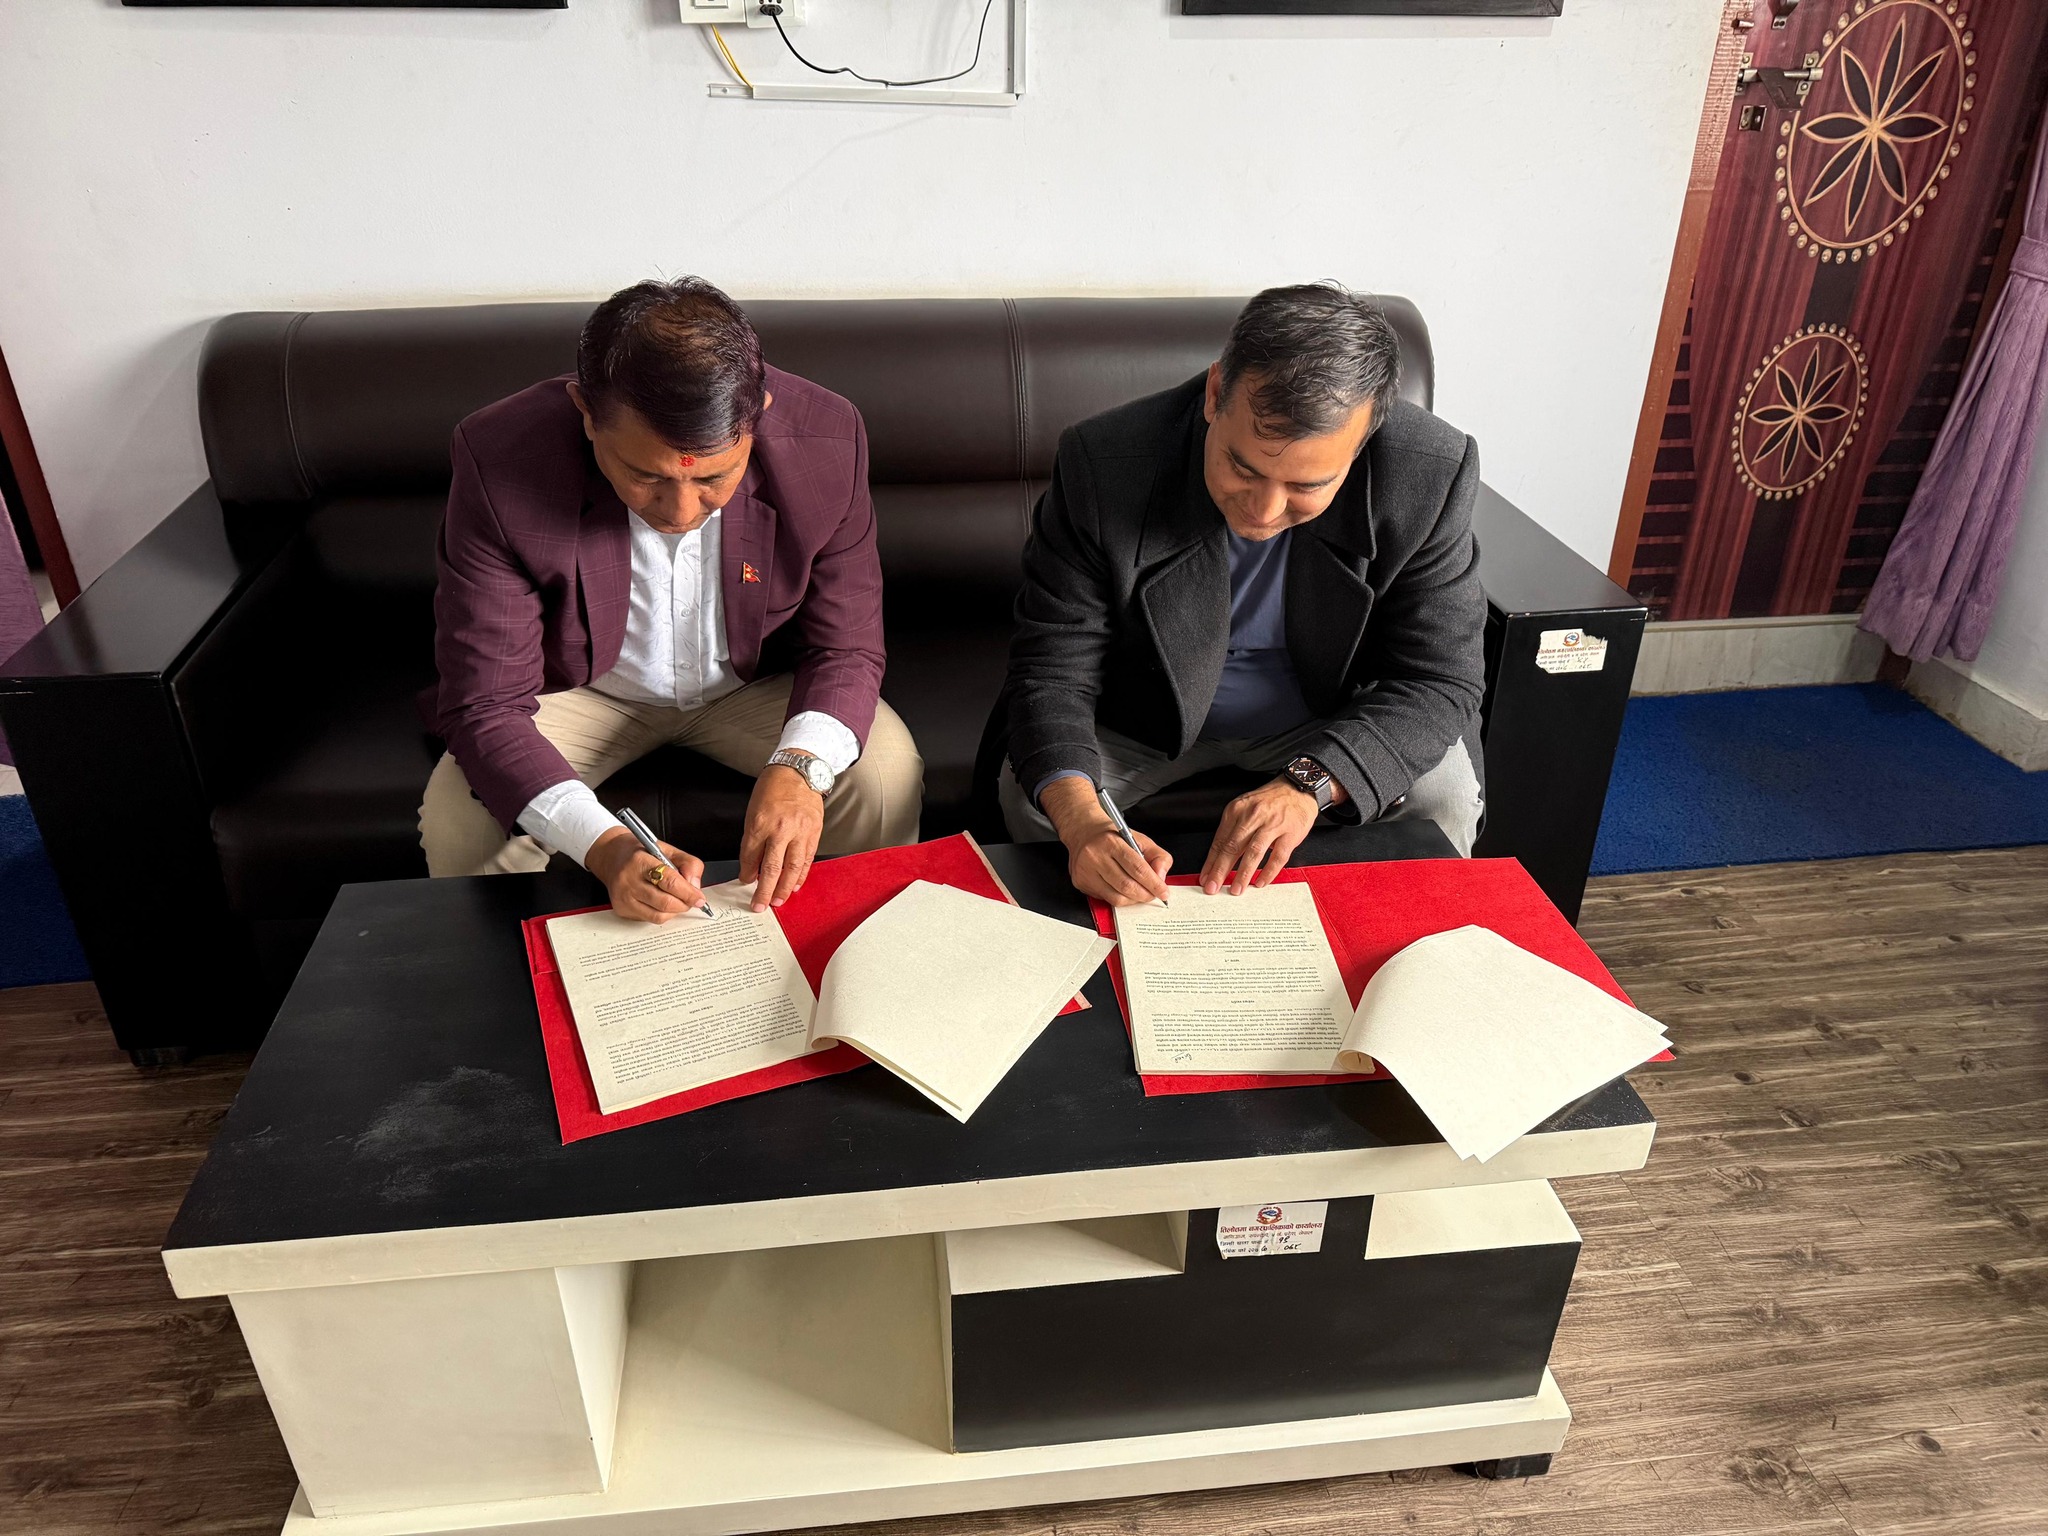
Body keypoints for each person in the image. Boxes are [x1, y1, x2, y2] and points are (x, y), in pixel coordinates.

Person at [421, 276, 923, 920]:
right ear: (586, 414)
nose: (681, 511)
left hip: (755, 684)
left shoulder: (828, 440)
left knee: (882, 776)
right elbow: (486, 701)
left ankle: (846, 962)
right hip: (576, 687)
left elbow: (846, 647)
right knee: (459, 819)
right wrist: (604, 846)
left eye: (715, 477)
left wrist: (800, 768)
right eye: (644, 476)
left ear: (759, 416)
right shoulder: (501, 457)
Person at [1001, 282, 1485, 907]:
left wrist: (1312, 781)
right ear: (1214, 394)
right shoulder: (1103, 463)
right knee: (1037, 801)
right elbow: (1052, 672)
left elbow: (1441, 678)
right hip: (1142, 717)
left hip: (1331, 713)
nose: (1263, 510)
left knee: (1444, 797)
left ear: (1365, 439)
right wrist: (1084, 825)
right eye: (1243, 467)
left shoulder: (1430, 472)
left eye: (1306, 485)